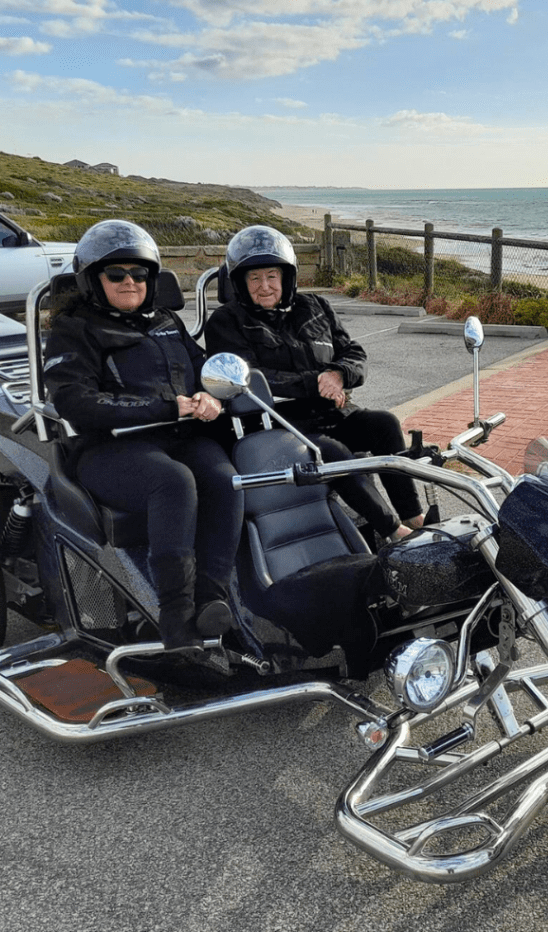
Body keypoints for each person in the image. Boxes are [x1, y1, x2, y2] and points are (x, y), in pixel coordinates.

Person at [44, 219, 242, 648]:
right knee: (173, 482)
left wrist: (211, 397)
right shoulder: (73, 329)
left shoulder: (166, 321)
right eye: (116, 274)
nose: (129, 282)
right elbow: (74, 401)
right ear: (92, 280)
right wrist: (165, 406)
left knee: (227, 478)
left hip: (179, 436)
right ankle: (177, 619)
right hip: (108, 448)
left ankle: (212, 600)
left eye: (139, 273)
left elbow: (204, 369)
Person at [204, 225, 424, 542]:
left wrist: (338, 374)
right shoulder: (227, 321)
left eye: (271, 276)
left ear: (286, 277)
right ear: (239, 281)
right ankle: (395, 532)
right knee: (332, 452)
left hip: (334, 412)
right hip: (283, 423)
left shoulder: (316, 307)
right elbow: (247, 378)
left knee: (385, 424)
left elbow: (354, 352)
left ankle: (415, 520)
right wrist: (315, 382)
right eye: (254, 278)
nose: (264, 286)